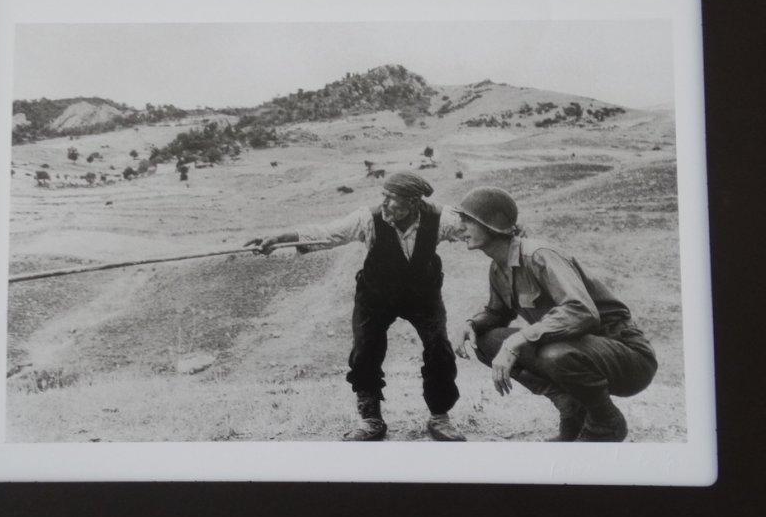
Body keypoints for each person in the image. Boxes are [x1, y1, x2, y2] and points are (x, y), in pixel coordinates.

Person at [245, 172, 467, 442]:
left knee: (439, 347)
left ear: (413, 202)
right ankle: (371, 419)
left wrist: (505, 233)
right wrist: (279, 238)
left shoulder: (441, 218)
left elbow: (476, 227)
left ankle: (439, 417)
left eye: (391, 199)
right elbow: (327, 234)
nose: (384, 204)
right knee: (365, 351)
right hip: (376, 295)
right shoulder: (368, 219)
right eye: (383, 196)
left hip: (423, 295)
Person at [451, 187, 657, 442]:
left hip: (628, 356)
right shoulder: (498, 268)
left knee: (553, 353)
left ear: (491, 224)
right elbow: (497, 314)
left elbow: (582, 311)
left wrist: (517, 340)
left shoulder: (538, 255)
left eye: (467, 220)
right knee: (485, 340)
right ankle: (570, 406)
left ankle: (606, 423)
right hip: (578, 350)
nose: (459, 227)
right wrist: (471, 324)